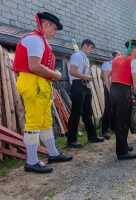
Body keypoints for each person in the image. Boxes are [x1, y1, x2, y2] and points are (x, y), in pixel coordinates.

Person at [13, 12, 73, 173]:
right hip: (33, 82)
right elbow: (34, 66)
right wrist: (56, 74)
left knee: (46, 120)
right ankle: (31, 161)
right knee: (34, 121)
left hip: (40, 83)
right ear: (45, 25)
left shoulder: (40, 40)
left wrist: (50, 76)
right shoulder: (35, 39)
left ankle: (52, 153)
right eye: (54, 28)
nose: (56, 32)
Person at [110, 39, 136, 160]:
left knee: (119, 120)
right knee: (123, 121)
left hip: (113, 90)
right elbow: (135, 80)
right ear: (135, 49)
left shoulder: (116, 59)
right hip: (123, 91)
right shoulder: (134, 61)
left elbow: (108, 75)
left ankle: (123, 145)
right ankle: (122, 152)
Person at [67, 39, 105, 148]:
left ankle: (92, 136)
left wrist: (87, 79)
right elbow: (72, 71)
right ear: (85, 45)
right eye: (91, 48)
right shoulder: (77, 55)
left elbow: (84, 72)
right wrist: (85, 77)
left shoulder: (86, 59)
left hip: (85, 85)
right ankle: (72, 140)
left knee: (88, 113)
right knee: (75, 113)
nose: (92, 50)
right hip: (78, 85)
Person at [100, 51, 121, 140]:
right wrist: (109, 85)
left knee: (116, 108)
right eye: (117, 56)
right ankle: (105, 130)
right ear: (113, 56)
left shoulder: (120, 65)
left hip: (118, 88)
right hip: (109, 87)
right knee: (108, 108)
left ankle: (114, 127)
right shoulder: (107, 64)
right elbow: (102, 76)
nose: (119, 57)